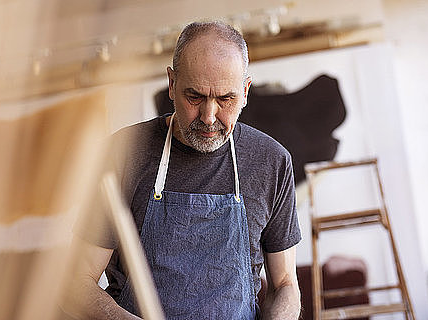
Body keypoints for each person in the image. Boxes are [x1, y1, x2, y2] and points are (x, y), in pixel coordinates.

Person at [66, 21, 301, 320]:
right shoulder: (123, 154)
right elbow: (76, 283)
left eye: (225, 99)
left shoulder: (271, 162)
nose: (209, 116)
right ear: (172, 84)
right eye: (195, 97)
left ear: (245, 91)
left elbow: (284, 285)